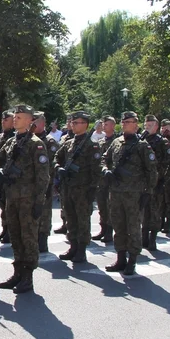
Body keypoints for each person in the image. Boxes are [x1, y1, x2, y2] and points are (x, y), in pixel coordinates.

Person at [0, 104, 50, 293]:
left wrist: (39, 203)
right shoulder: (11, 142)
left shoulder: (36, 144)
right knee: (15, 237)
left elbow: (43, 177)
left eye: (20, 116)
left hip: (28, 199)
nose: (15, 118)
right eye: (15, 116)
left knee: (28, 238)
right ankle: (17, 273)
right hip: (11, 197)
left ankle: (28, 277)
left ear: (29, 120)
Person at [101, 111, 157, 275]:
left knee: (133, 227)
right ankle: (120, 258)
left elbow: (151, 171)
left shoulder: (142, 145)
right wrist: (106, 170)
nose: (125, 124)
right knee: (118, 225)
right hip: (116, 192)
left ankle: (132, 260)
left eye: (129, 122)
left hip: (134, 194)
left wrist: (148, 192)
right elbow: (105, 158)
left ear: (136, 124)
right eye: (123, 121)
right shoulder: (117, 142)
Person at [54, 110, 100, 263]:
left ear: (85, 125)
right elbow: (56, 158)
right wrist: (58, 168)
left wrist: (92, 191)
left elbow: (96, 171)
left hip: (83, 189)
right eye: (72, 122)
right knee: (70, 218)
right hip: (68, 188)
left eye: (76, 123)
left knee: (82, 220)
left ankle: (81, 249)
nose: (73, 125)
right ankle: (73, 246)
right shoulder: (68, 143)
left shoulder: (92, 146)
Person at [140, 115, 170, 251]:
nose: (147, 128)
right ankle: (143, 236)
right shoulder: (140, 140)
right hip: (142, 182)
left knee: (154, 211)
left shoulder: (163, 142)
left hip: (156, 182)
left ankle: (153, 238)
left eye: (150, 126)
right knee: (143, 210)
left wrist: (164, 180)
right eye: (146, 125)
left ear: (156, 127)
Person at [33, 111, 60, 252]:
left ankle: (42, 238)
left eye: (35, 121)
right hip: (29, 185)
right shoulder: (28, 139)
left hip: (44, 184)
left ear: (42, 123)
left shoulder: (49, 142)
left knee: (44, 212)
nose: (32, 123)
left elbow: (51, 164)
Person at [92, 116, 117, 244]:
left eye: (106, 124)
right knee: (102, 204)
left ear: (113, 125)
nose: (103, 126)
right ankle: (103, 228)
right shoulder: (101, 141)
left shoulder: (117, 141)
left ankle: (109, 231)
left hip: (112, 179)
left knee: (110, 205)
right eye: (103, 124)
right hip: (101, 179)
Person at [0, 111, 15, 244]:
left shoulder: (16, 139)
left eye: (7, 120)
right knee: (2, 205)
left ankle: (10, 232)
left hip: (9, 177)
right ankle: (5, 229)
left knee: (9, 207)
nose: (3, 122)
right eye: (3, 120)